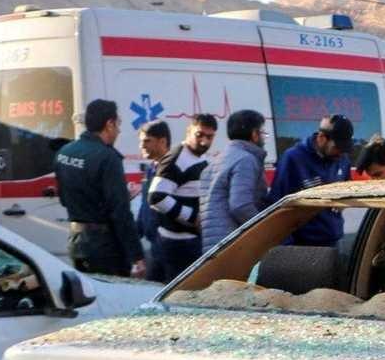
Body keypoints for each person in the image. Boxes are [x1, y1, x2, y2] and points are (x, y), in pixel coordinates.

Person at [53, 99, 145, 277]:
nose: (119, 130)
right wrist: (137, 256)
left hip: (76, 242)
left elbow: (64, 199)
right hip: (104, 248)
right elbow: (120, 213)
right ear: (109, 124)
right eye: (118, 124)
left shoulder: (64, 152)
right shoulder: (107, 158)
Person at [146, 114, 217, 281]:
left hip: (188, 241)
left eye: (209, 137)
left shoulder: (199, 156)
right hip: (178, 244)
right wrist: (193, 217)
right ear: (188, 131)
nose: (204, 141)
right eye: (199, 135)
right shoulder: (177, 158)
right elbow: (156, 197)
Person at [267, 114, 353, 246]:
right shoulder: (293, 159)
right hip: (303, 244)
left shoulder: (342, 159)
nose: (341, 153)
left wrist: (343, 202)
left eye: (344, 149)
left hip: (333, 239)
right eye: (337, 147)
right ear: (322, 138)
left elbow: (348, 186)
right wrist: (288, 247)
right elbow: (277, 204)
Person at [200, 109, 268, 251]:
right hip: (234, 245)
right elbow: (240, 206)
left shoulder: (214, 162)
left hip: (213, 245)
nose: (263, 138)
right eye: (262, 133)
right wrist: (265, 229)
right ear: (254, 134)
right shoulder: (245, 160)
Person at [134, 120, 170, 272]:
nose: (142, 146)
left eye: (147, 141)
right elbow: (145, 207)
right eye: (141, 141)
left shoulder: (173, 169)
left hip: (169, 246)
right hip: (155, 246)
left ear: (162, 142)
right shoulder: (151, 169)